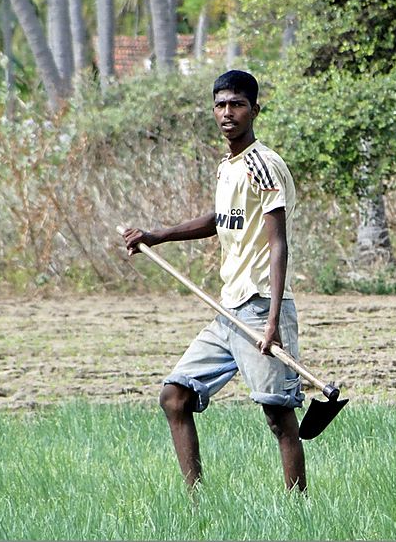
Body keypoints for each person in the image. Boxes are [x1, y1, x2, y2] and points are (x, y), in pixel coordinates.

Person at [121, 70, 306, 491]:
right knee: (174, 397)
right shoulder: (229, 165)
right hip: (228, 311)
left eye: (237, 104)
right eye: (221, 105)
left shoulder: (263, 165)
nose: (228, 113)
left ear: (254, 110)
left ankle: (301, 513)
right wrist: (159, 235)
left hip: (259, 306)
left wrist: (273, 320)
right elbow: (220, 219)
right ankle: (197, 507)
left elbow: (278, 243)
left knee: (279, 416)